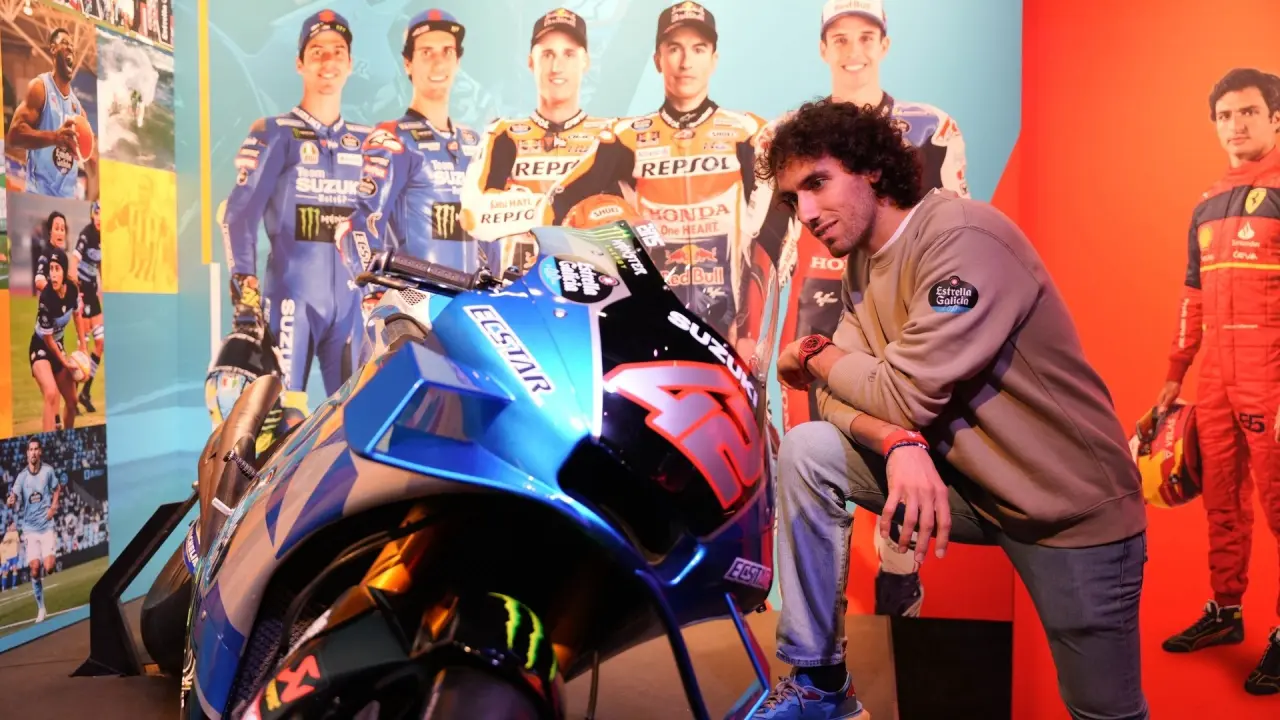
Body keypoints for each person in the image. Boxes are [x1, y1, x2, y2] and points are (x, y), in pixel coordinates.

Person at [752, 99, 1150, 720]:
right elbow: (834, 399)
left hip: (1069, 510)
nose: (804, 213)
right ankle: (821, 684)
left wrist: (814, 352)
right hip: (971, 490)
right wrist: (898, 442)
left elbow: (898, 393)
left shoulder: (963, 238)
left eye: (818, 183)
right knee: (809, 449)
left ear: (870, 169)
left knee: (1104, 712)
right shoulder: (862, 263)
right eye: (791, 198)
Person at [757, 0, 973, 621]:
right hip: (815, 304)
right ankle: (817, 624)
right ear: (823, 48)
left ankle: (898, 582)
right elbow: (768, 243)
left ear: (885, 44)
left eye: (866, 36)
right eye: (841, 38)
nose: (854, 50)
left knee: (898, 437)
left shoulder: (932, 125)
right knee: (812, 453)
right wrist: (761, 341)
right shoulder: (785, 135)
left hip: (894, 304)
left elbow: (954, 227)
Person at [549, 1, 792, 355]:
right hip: (648, 320)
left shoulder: (748, 132)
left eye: (698, 49)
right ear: (657, 59)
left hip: (730, 326)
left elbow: (775, 231)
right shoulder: (625, 136)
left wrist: (751, 329)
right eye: (674, 48)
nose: (685, 62)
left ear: (714, 59)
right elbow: (562, 203)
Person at [1155, 67, 1280, 697]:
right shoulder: (1207, 202)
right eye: (1225, 116)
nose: (1235, 125)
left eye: (1249, 112)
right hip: (1217, 383)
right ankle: (1226, 611)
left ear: (1276, 118)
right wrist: (1174, 376)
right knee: (1222, 500)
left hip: (1273, 379)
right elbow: (1193, 295)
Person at [220, 10, 371, 406]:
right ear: (299, 63)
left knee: (355, 417)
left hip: (352, 307)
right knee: (284, 419)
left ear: (350, 64)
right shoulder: (275, 132)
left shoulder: (367, 141)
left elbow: (382, 224)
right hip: (291, 302)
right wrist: (245, 299)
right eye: (317, 51)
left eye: (338, 51)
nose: (328, 60)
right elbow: (238, 216)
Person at [340, 9, 484, 302]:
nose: (438, 61)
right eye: (426, 52)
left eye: (447, 51)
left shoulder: (474, 143)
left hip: (470, 309)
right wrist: (376, 293)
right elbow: (357, 225)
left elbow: (488, 234)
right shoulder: (393, 138)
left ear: (458, 61)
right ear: (408, 63)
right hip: (415, 307)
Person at [461, 7, 618, 275]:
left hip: (594, 283)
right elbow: (473, 215)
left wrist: (516, 203)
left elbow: (629, 221)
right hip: (519, 286)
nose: (557, 67)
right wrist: (551, 210)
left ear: (585, 62)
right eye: (547, 54)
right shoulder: (504, 133)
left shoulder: (611, 136)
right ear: (531, 62)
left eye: (569, 54)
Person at [5, 27, 98, 200]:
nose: (70, 48)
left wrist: (91, 160)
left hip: (67, 202)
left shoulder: (78, 109)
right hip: (38, 197)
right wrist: (55, 137)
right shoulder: (40, 88)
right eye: (64, 43)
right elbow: (14, 135)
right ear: (53, 49)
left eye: (72, 46)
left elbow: (91, 163)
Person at [7, 438, 64, 624]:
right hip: (30, 529)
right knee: (34, 568)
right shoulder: (22, 477)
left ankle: (49, 561)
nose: (33, 452)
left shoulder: (48, 471)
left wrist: (53, 506)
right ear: (27, 453)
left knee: (49, 568)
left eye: (35, 449)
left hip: (46, 526)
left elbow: (57, 489)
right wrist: (11, 500)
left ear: (40, 452)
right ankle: (41, 608)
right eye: (30, 449)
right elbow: (13, 495)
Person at [29, 248, 83, 432]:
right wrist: (64, 362)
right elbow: (48, 339)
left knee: (72, 401)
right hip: (41, 346)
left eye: (57, 269)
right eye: (50, 269)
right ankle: (47, 443)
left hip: (57, 346)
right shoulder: (46, 299)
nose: (52, 274)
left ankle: (67, 439)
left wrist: (83, 346)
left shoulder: (72, 290)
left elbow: (77, 315)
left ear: (64, 271)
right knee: (51, 393)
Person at [70, 201, 103, 414]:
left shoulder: (105, 237)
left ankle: (86, 392)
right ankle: (72, 399)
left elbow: (100, 264)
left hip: (93, 293)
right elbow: (74, 259)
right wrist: (74, 286)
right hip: (82, 293)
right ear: (92, 215)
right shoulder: (86, 234)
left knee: (100, 343)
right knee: (83, 346)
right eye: (97, 214)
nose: (100, 218)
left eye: (103, 215)